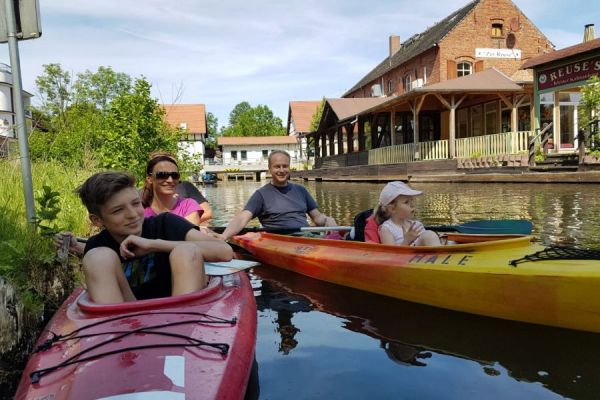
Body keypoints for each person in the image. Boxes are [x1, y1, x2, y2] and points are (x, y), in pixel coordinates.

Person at [77, 171, 233, 304]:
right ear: (97, 220)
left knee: (186, 250)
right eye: (118, 210)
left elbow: (225, 252)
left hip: (179, 315)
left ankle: (183, 326)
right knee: (97, 257)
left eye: (136, 204)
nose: (132, 215)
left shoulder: (165, 223)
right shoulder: (97, 247)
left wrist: (154, 245)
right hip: (127, 320)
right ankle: (119, 334)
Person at [219, 150, 337, 240]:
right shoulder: (261, 195)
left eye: (285, 166)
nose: (281, 170)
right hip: (281, 240)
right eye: (277, 166)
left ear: (289, 168)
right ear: (270, 169)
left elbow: (317, 217)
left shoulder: (301, 190)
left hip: (305, 236)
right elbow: (242, 218)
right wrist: (223, 237)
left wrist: (327, 219)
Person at [148, 151, 213, 224]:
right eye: (162, 174)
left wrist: (190, 219)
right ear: (150, 178)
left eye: (174, 175)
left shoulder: (186, 192)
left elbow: (207, 212)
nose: (170, 180)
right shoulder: (140, 202)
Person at [375, 181, 441, 246]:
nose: (412, 205)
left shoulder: (417, 225)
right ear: (392, 209)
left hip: (424, 255)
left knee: (430, 235)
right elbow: (391, 254)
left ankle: (441, 252)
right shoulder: (387, 228)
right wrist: (406, 241)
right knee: (429, 235)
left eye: (412, 200)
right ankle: (440, 253)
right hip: (406, 255)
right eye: (406, 202)